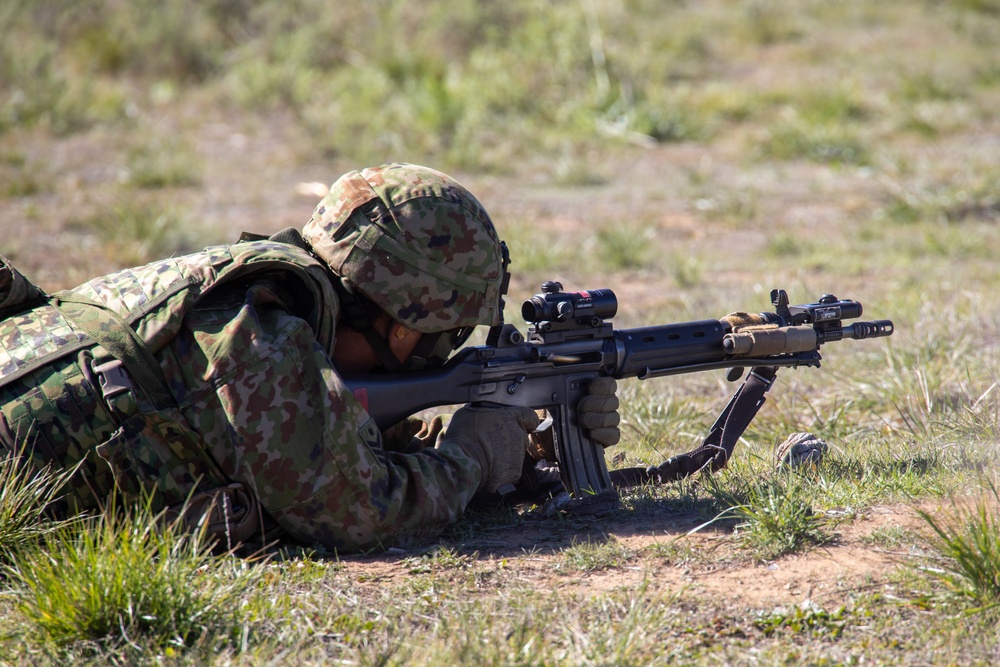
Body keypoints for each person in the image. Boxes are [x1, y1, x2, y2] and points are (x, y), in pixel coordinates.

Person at [0, 163, 619, 552]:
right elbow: (365, 515)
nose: (444, 351)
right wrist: (473, 457)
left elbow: (318, 433)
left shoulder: (248, 292)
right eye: (448, 336)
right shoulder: (262, 341)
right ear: (401, 322)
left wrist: (521, 430)